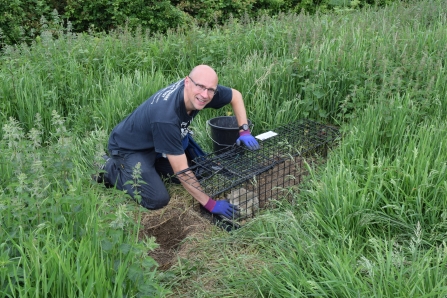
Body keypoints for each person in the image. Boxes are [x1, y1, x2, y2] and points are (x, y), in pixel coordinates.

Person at [94, 65, 260, 219]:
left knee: (199, 172)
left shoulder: (202, 92)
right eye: (200, 87)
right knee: (157, 199)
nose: (205, 95)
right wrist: (210, 204)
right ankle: (109, 167)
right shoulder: (166, 117)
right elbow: (182, 171)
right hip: (130, 148)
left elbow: (236, 96)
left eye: (211, 90)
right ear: (187, 81)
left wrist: (244, 130)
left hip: (156, 143)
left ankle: (152, 168)